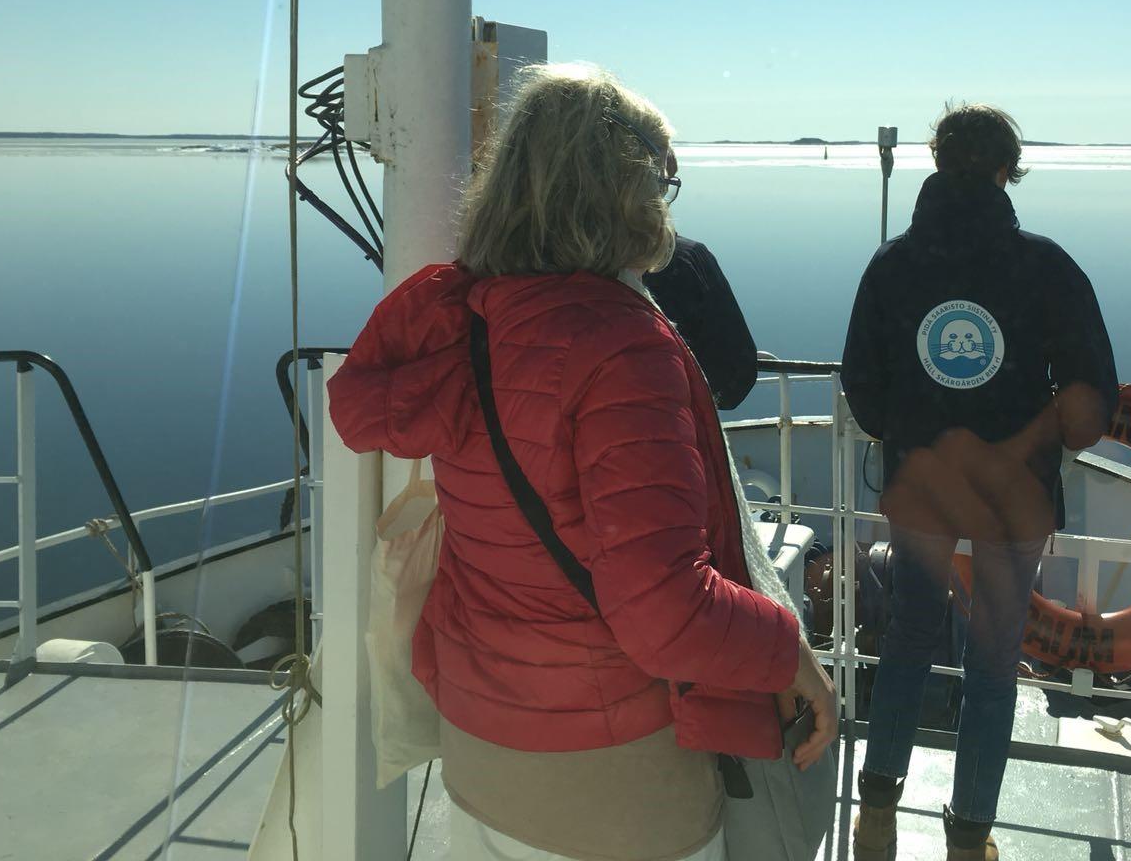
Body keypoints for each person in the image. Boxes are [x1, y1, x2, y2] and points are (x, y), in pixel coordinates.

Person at [328, 63, 836, 861]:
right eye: (662, 182)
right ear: (624, 189)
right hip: (610, 779)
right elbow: (666, 613)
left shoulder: (465, 318)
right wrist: (792, 654)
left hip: (482, 738)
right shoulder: (620, 347)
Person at [841, 103, 1118, 861]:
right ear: (1007, 170)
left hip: (921, 487)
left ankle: (875, 819)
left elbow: (863, 382)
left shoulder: (892, 264)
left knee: (908, 640)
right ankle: (968, 839)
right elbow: (1091, 396)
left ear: (936, 162)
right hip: (1013, 497)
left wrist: (907, 434)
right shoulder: (1047, 266)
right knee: (994, 662)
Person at [645, 233, 760, 410]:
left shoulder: (609, 272)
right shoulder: (690, 254)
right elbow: (737, 358)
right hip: (686, 402)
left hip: (636, 403)